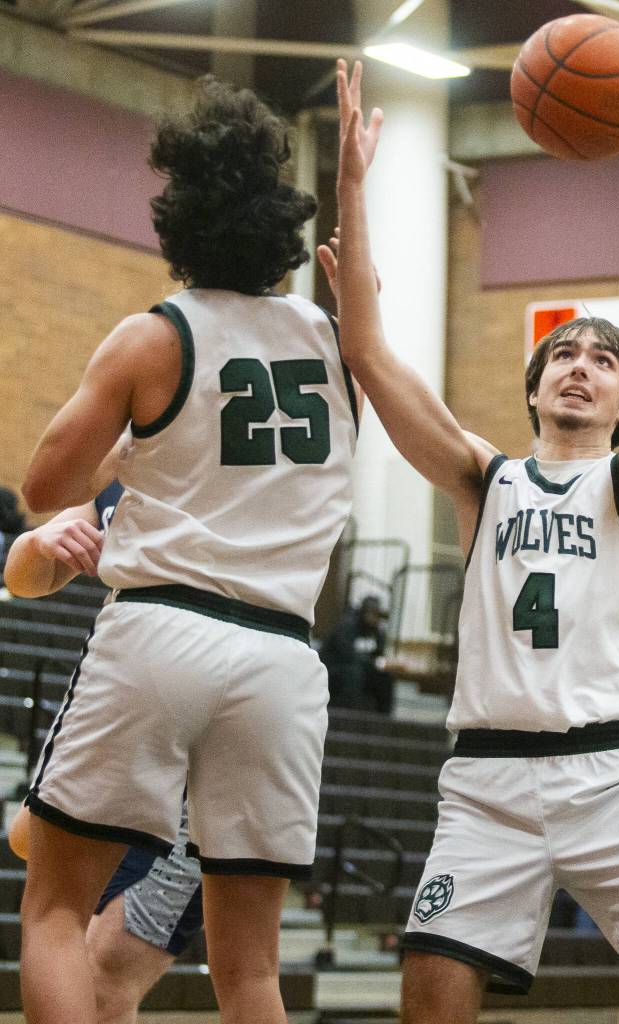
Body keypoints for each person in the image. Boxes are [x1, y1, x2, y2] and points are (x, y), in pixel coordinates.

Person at [331, 60, 619, 1024]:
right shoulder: (481, 477)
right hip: (486, 785)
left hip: (611, 777)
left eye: (604, 360)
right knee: (427, 1011)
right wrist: (352, 187)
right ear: (535, 387)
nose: (581, 367)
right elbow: (367, 354)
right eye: (564, 355)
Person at [18, 73, 379, 1024]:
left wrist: (135, 448)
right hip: (283, 662)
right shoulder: (344, 346)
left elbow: (44, 489)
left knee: (54, 911)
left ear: (176, 218)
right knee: (249, 972)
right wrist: (355, 187)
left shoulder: (153, 337)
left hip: (163, 631)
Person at [4, 483, 204, 1024]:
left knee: (104, 974)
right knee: (29, 842)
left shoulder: (235, 464)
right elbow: (22, 577)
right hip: (129, 703)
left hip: (207, 745)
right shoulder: (120, 462)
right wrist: (38, 541)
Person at [320, 594, 394, 713]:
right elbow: (346, 655)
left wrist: (380, 664)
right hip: (336, 667)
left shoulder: (377, 632)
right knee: (354, 673)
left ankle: (384, 718)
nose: (374, 618)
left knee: (384, 676)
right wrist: (373, 663)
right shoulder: (347, 626)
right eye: (371, 613)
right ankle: (351, 716)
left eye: (377, 614)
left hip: (362, 667)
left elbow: (378, 655)